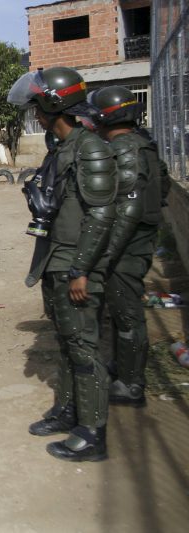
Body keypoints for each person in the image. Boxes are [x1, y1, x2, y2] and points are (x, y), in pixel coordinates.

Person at [8, 66, 118, 462]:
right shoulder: (61, 151)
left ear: (57, 105)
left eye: (39, 107)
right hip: (57, 260)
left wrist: (82, 270)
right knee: (68, 343)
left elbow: (102, 214)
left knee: (85, 350)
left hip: (76, 265)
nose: (36, 115)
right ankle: (69, 411)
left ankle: (92, 432)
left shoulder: (90, 149)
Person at [87, 86, 171, 406]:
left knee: (126, 314)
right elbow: (160, 185)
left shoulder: (123, 148)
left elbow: (128, 208)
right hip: (142, 239)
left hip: (127, 246)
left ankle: (131, 384)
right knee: (124, 311)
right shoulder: (144, 145)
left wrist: (106, 255)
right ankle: (123, 368)